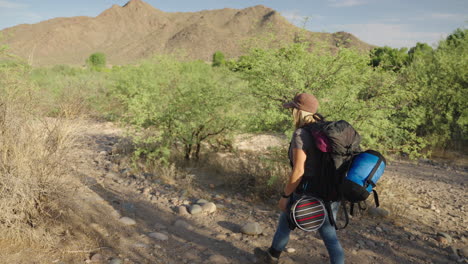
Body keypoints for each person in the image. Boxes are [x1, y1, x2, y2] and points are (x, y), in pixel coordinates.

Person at [254, 93, 345, 264]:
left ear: (299, 111)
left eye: (293, 109)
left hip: (309, 192)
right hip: (332, 190)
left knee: (328, 235)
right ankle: (272, 255)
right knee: (288, 221)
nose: (291, 113)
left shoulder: (301, 134)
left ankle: (271, 257)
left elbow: (298, 171)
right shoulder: (325, 130)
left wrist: (286, 196)